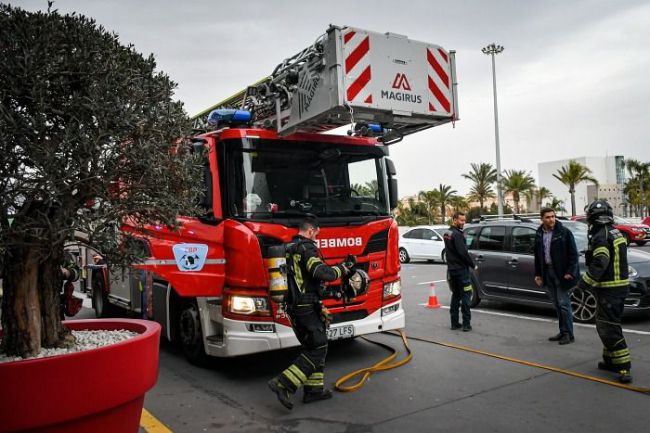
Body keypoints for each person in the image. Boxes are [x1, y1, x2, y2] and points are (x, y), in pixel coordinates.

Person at [268, 216, 352, 410]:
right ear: (311, 230)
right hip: (304, 308)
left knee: (314, 345)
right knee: (318, 346)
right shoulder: (306, 248)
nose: (316, 238)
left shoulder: (289, 248)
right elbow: (320, 272)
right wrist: (341, 269)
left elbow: (304, 279)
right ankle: (283, 383)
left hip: (295, 306)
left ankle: (314, 391)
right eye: (316, 234)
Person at [577, 199, 632, 383]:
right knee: (604, 323)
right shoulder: (615, 232)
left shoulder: (601, 235)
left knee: (609, 327)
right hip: (618, 287)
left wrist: (584, 284)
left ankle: (623, 367)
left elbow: (601, 261)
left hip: (610, 289)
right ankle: (610, 360)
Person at [534, 207, 579, 345]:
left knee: (564, 304)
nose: (551, 219)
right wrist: (538, 274)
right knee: (557, 305)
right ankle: (562, 331)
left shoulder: (564, 232)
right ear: (542, 219)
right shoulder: (539, 233)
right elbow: (537, 256)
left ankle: (568, 334)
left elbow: (573, 254)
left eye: (553, 216)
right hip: (547, 272)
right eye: (547, 217)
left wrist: (570, 272)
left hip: (561, 274)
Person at [443, 211, 476, 332]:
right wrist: (473, 265)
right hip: (462, 271)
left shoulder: (447, 233)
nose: (463, 222)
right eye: (461, 220)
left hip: (452, 271)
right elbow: (463, 253)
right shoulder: (457, 235)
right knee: (466, 296)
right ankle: (466, 324)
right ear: (454, 220)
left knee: (456, 296)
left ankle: (454, 323)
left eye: (464, 220)